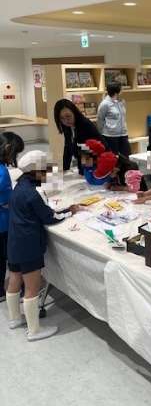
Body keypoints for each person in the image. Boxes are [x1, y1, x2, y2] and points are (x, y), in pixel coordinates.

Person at [6, 150, 81, 341]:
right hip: (29, 245)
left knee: (14, 280)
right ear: (36, 171)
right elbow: (49, 217)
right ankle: (34, 330)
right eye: (46, 170)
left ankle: (14, 319)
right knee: (32, 286)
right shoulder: (32, 193)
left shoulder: (18, 187)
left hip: (14, 242)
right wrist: (70, 211)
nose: (48, 173)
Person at [0, 134, 23, 302]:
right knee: (12, 257)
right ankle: (19, 289)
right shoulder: (2, 173)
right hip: (4, 224)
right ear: (8, 149)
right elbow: (7, 201)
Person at [54, 99, 104, 173]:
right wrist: (65, 169)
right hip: (86, 158)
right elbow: (67, 147)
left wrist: (82, 172)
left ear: (74, 112)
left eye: (68, 116)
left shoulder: (84, 125)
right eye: (62, 118)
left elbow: (86, 153)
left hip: (99, 161)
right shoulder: (67, 126)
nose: (66, 121)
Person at [96, 81, 131, 156]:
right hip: (110, 136)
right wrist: (101, 135)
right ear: (116, 91)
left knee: (126, 157)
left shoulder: (121, 102)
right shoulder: (105, 104)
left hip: (123, 134)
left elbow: (123, 117)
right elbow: (100, 120)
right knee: (113, 158)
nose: (122, 90)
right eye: (121, 88)